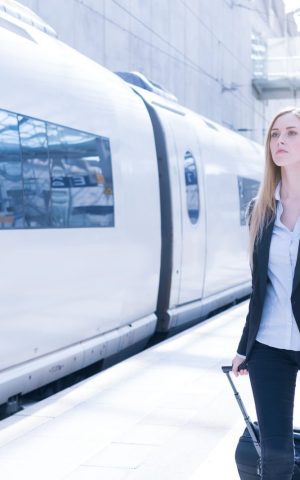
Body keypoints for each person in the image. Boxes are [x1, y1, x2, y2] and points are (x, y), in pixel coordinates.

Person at [232, 106, 300, 480]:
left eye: (291, 133)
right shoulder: (259, 210)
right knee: (275, 456)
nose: (280, 142)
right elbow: (260, 288)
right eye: (275, 135)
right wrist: (245, 347)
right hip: (270, 345)